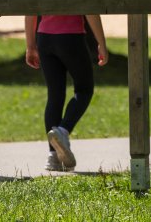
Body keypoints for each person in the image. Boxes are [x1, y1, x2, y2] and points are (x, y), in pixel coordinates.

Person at [24, 14, 108, 171]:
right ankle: (62, 131)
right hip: (72, 37)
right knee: (84, 89)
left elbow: (31, 11)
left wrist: (30, 45)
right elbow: (89, 9)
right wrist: (101, 43)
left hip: (45, 38)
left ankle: (53, 157)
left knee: (55, 94)